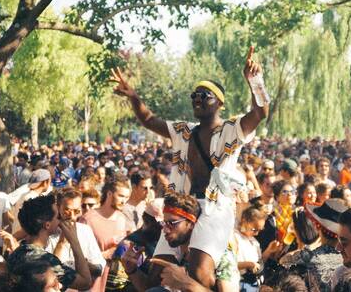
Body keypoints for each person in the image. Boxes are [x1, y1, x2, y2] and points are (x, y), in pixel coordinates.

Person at [110, 46, 268, 289]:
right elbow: (149, 120)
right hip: (181, 207)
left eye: (205, 95)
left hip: (215, 210)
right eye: (194, 95)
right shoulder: (183, 132)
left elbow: (260, 112)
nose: (197, 99)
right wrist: (133, 95)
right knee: (156, 273)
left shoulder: (230, 130)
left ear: (220, 103)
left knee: (199, 271)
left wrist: (255, 81)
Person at [149, 192, 241, 292]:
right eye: (164, 223)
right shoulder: (180, 255)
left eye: (172, 223)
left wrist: (186, 283)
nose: (165, 230)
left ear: (191, 224)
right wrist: (133, 270)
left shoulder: (222, 257)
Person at [5, 193, 92, 291]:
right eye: (58, 216)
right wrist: (74, 241)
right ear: (47, 225)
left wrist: (62, 243)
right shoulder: (44, 259)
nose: (61, 219)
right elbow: (85, 282)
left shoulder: (17, 252)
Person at [81, 175, 135, 292]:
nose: (124, 201)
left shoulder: (123, 218)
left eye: (126, 197)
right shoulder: (88, 219)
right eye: (120, 196)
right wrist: (108, 253)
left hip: (117, 283)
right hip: (93, 282)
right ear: (109, 194)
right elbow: (78, 256)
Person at [46, 187, 105, 285]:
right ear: (58, 208)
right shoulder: (48, 233)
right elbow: (50, 273)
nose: (72, 217)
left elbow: (100, 269)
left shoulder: (85, 230)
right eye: (67, 210)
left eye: (76, 211)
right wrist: (62, 241)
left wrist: (85, 265)